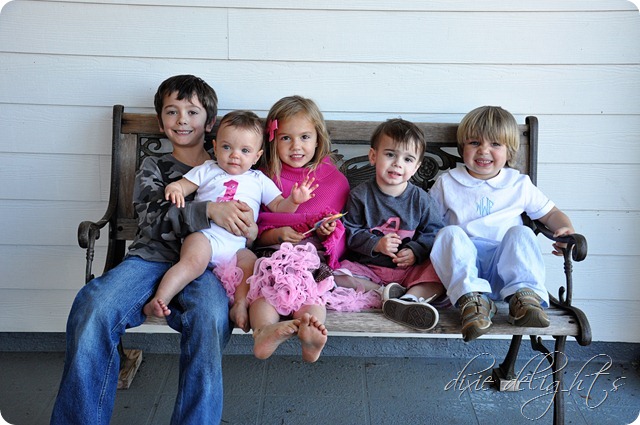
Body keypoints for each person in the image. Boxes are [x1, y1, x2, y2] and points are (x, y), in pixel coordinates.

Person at [50, 75, 256, 425]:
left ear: (210, 123)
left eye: (192, 112)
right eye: (172, 112)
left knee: (210, 317)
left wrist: (250, 229)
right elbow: (151, 219)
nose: (182, 119)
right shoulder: (155, 167)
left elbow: (249, 225)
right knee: (93, 306)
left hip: (206, 267)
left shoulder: (234, 167)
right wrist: (208, 211)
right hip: (151, 258)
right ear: (161, 122)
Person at [143, 109, 318, 331]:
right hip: (206, 235)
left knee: (250, 263)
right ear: (215, 147)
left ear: (256, 156)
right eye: (227, 147)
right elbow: (182, 185)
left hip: (237, 246)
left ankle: (240, 304)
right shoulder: (208, 169)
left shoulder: (259, 180)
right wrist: (175, 189)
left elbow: (279, 207)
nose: (235, 155)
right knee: (191, 263)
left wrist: (294, 200)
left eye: (245, 150)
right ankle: (161, 298)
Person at [429, 105, 576, 342]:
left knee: (521, 233)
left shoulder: (518, 184)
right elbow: (428, 222)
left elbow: (550, 214)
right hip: (463, 271)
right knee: (449, 233)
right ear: (462, 147)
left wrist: (565, 229)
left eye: (495, 144)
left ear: (510, 151)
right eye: (474, 142)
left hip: (505, 270)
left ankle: (525, 298)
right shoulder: (448, 183)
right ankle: (473, 302)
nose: (483, 150)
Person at [236, 95, 351, 363]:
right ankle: (264, 332)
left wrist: (327, 232)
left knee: (312, 296)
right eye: (286, 138)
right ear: (272, 140)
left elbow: (341, 233)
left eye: (304, 137)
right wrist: (277, 234)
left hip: (312, 260)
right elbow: (253, 231)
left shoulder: (335, 181)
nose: (296, 146)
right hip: (271, 256)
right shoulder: (262, 178)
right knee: (263, 293)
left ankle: (310, 333)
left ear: (318, 138)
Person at [339, 118, 446, 331]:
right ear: (373, 156)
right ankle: (385, 294)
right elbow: (349, 231)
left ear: (416, 167)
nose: (398, 163)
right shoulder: (360, 196)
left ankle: (409, 300)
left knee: (440, 275)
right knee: (338, 276)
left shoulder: (421, 199)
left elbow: (433, 232)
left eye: (408, 159)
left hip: (409, 271)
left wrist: (415, 251)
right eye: (390, 155)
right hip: (369, 270)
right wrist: (376, 244)